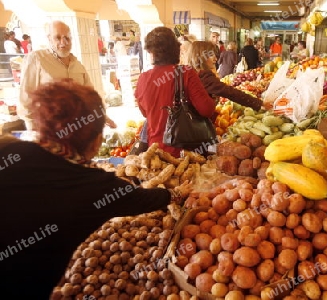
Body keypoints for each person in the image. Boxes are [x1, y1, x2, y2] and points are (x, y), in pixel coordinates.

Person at [0, 79, 192, 298]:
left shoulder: (11, 150)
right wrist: (176, 194)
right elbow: (141, 199)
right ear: (95, 141)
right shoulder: (94, 186)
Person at [19, 20, 117, 130]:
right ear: (49, 38)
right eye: (58, 37)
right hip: (50, 130)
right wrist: (34, 132)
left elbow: (90, 98)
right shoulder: (37, 59)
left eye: (67, 38)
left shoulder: (77, 64)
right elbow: (25, 98)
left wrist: (102, 117)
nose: (63, 42)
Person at [135, 27, 216, 158]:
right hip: (186, 154)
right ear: (176, 50)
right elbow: (207, 109)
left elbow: (146, 113)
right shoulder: (185, 73)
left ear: (151, 53)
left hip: (155, 153)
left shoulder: (143, 78)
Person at [186, 41, 263, 111]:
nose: (215, 59)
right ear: (201, 57)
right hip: (199, 122)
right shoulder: (205, 77)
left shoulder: (189, 73)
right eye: (211, 55)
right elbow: (230, 92)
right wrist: (258, 103)